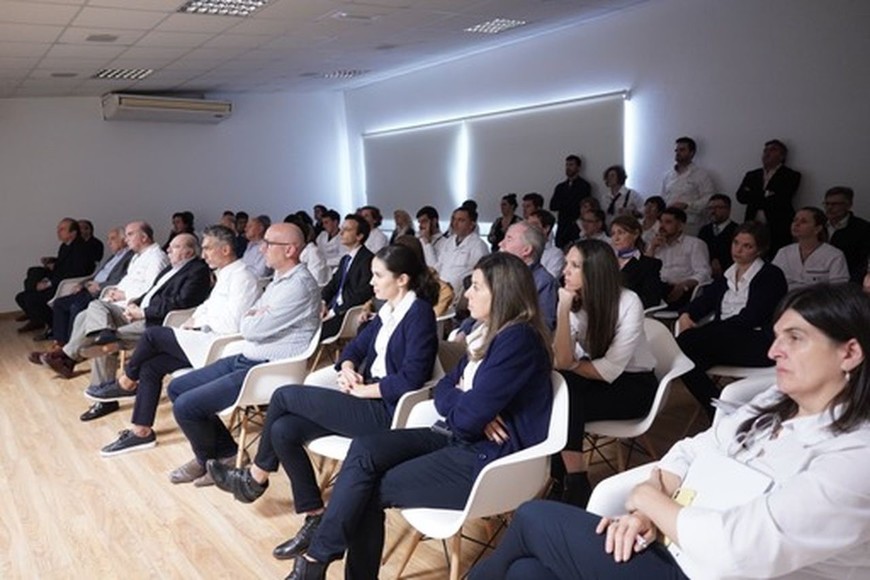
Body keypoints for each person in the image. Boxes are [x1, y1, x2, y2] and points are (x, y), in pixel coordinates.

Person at [470, 283, 870, 580]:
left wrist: (648, 498)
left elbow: (734, 548)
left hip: (707, 571)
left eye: (795, 338)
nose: (773, 351)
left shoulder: (855, 458)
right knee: (526, 572)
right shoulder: (774, 402)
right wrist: (648, 512)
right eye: (777, 336)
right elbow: (692, 449)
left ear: (850, 352)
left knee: (533, 516)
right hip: (678, 545)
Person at [281, 252, 553, 579]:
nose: (467, 293)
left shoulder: (518, 339)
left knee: (366, 490)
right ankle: (317, 560)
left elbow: (467, 418)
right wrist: (470, 402)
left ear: (503, 293)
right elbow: (444, 389)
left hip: (487, 458)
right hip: (456, 436)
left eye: (477, 287)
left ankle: (315, 560)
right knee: (365, 449)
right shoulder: (488, 333)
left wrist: (472, 406)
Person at [206, 245, 441, 554]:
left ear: (402, 280)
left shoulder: (419, 314)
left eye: (378, 275)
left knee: (283, 395)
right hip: (364, 397)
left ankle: (255, 477)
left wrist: (364, 391)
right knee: (283, 430)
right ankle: (314, 514)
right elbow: (355, 348)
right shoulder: (388, 311)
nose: (371, 282)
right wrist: (348, 367)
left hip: (387, 411)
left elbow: (412, 377)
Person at [166, 222, 321, 487]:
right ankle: (225, 454)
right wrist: (256, 317)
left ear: (290, 250)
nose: (261, 249)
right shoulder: (280, 280)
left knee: (186, 406)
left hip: (267, 369)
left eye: (269, 244)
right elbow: (249, 323)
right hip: (248, 357)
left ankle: (205, 460)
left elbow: (250, 328)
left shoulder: (299, 285)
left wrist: (255, 318)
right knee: (177, 388)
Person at [92, 225, 261, 456]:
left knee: (153, 335)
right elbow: (206, 307)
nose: (203, 254)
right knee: (151, 367)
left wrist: (199, 320)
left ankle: (126, 382)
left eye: (208, 248)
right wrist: (194, 318)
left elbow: (232, 323)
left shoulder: (242, 277)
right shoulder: (226, 274)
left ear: (225, 250)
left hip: (219, 345)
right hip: (203, 338)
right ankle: (141, 431)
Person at [551, 239, 658, 507]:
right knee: (560, 391)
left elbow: (609, 370)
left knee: (562, 404)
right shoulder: (575, 301)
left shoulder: (628, 302)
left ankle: (565, 482)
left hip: (635, 386)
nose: (565, 271)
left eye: (575, 266)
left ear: (595, 271)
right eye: (566, 263)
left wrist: (571, 365)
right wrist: (563, 309)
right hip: (594, 375)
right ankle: (573, 480)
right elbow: (561, 359)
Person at [677, 222, 788, 418]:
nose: (738, 250)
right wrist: (686, 314)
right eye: (736, 243)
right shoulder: (728, 274)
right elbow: (704, 301)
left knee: (684, 348)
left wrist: (709, 330)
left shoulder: (771, 275)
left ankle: (718, 410)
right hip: (722, 339)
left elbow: (752, 317)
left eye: (747, 246)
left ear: (760, 250)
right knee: (683, 358)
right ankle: (720, 408)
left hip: (757, 342)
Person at [40, 226, 132, 347]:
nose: (109, 242)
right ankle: (60, 341)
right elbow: (95, 275)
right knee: (59, 303)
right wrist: (82, 284)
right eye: (108, 239)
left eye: (113, 239)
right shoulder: (113, 257)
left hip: (101, 292)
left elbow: (121, 279)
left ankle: (72, 344)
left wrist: (99, 286)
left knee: (76, 307)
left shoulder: (130, 257)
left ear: (124, 240)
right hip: (89, 289)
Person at [15, 217, 94, 333]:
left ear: (73, 233)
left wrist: (49, 283)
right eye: (58, 229)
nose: (58, 232)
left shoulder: (81, 248)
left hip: (65, 286)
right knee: (22, 295)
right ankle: (37, 319)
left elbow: (76, 272)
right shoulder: (64, 246)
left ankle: (54, 326)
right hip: (57, 280)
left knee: (30, 299)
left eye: (62, 229)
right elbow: (63, 265)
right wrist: (52, 265)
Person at [735, 139, 801, 255]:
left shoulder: (791, 175)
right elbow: (741, 197)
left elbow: (781, 199)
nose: (767, 153)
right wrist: (766, 194)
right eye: (765, 150)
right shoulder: (752, 175)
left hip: (778, 226)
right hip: (752, 225)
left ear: (782, 156)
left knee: (777, 257)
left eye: (772, 150)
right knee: (751, 256)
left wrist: (753, 195)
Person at [320, 214, 375, 340]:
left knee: (310, 332)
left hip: (346, 314)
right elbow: (333, 284)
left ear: (359, 236)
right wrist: (323, 302)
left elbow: (363, 293)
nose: (341, 233)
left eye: (347, 230)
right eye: (342, 228)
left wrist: (334, 312)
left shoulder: (368, 259)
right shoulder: (345, 259)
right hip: (332, 308)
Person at [645, 207, 711, 308]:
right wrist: (652, 248)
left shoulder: (695, 244)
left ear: (680, 226)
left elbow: (704, 273)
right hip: (658, 287)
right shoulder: (655, 244)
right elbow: (645, 270)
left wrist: (685, 285)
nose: (662, 226)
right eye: (661, 222)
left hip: (682, 289)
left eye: (668, 222)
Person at [772, 207, 849, 290]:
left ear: (817, 228)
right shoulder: (784, 252)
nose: (796, 224)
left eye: (803, 221)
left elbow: (839, 289)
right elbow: (771, 280)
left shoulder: (834, 255)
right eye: (795, 220)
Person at [661, 137, 715, 235]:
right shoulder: (668, 176)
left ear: (692, 153)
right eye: (676, 150)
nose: (678, 153)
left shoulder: (701, 175)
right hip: (669, 223)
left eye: (682, 150)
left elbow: (709, 199)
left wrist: (687, 205)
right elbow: (663, 198)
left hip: (689, 223)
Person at [435, 206, 489, 299]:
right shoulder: (449, 241)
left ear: (471, 224)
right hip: (441, 291)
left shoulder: (478, 245)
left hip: (460, 296)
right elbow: (440, 264)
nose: (455, 224)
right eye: (454, 219)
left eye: (461, 220)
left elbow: (479, 273)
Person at [610, 215, 663, 309]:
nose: (616, 238)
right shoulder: (606, 261)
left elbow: (651, 299)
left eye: (621, 233)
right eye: (613, 234)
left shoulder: (649, 265)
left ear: (635, 234)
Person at [824, 186, 870, 283]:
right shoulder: (818, 225)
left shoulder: (863, 228)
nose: (829, 208)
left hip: (848, 280)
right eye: (827, 204)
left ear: (848, 205)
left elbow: (864, 262)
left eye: (835, 204)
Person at [551, 154, 592, 248]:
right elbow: (553, 205)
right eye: (567, 165)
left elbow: (582, 206)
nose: (568, 167)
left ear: (578, 167)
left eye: (571, 165)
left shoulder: (584, 186)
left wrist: (564, 203)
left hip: (576, 225)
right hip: (562, 226)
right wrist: (569, 202)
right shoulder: (560, 187)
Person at [697, 194, 738, 278]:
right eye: (710, 208)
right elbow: (699, 252)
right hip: (705, 274)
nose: (713, 211)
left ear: (728, 209)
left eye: (718, 207)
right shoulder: (704, 230)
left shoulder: (737, 230)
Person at [527, 209, 565, 280]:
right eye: (528, 224)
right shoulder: (521, 248)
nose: (529, 228)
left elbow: (548, 280)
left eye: (534, 224)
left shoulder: (555, 254)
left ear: (546, 228)